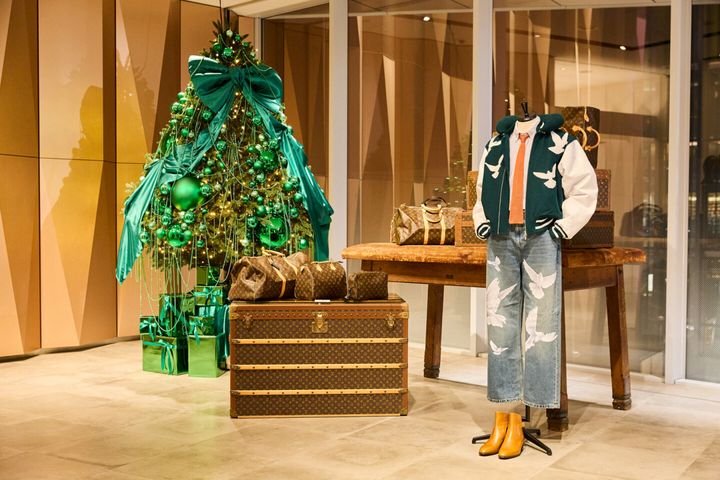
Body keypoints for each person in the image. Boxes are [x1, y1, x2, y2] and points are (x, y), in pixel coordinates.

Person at [473, 112, 597, 459]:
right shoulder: (496, 143)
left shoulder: (560, 141)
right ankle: (505, 416)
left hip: (541, 236)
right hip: (500, 236)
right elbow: (482, 189)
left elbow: (584, 187)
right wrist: (482, 221)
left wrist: (562, 226)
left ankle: (529, 412)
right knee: (500, 324)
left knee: (542, 325)